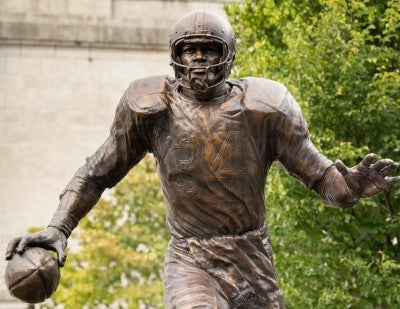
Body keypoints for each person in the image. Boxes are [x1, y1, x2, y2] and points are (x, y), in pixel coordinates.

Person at [5, 10, 400, 308]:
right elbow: (96, 173)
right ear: (175, 56)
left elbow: (319, 177)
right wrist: (59, 227)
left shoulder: (266, 107)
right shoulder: (150, 107)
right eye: (190, 50)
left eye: (208, 50)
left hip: (252, 255)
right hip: (191, 254)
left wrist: (349, 188)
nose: (198, 59)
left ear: (227, 55)